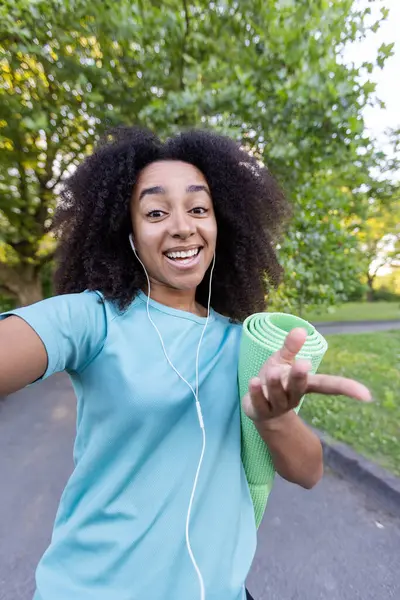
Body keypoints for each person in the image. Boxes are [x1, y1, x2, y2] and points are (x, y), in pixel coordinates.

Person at [0, 127, 371, 600]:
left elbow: (308, 472)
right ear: (127, 233)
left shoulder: (243, 346)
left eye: (199, 209)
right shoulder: (91, 319)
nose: (181, 225)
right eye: (155, 212)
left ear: (222, 227)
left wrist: (274, 419)